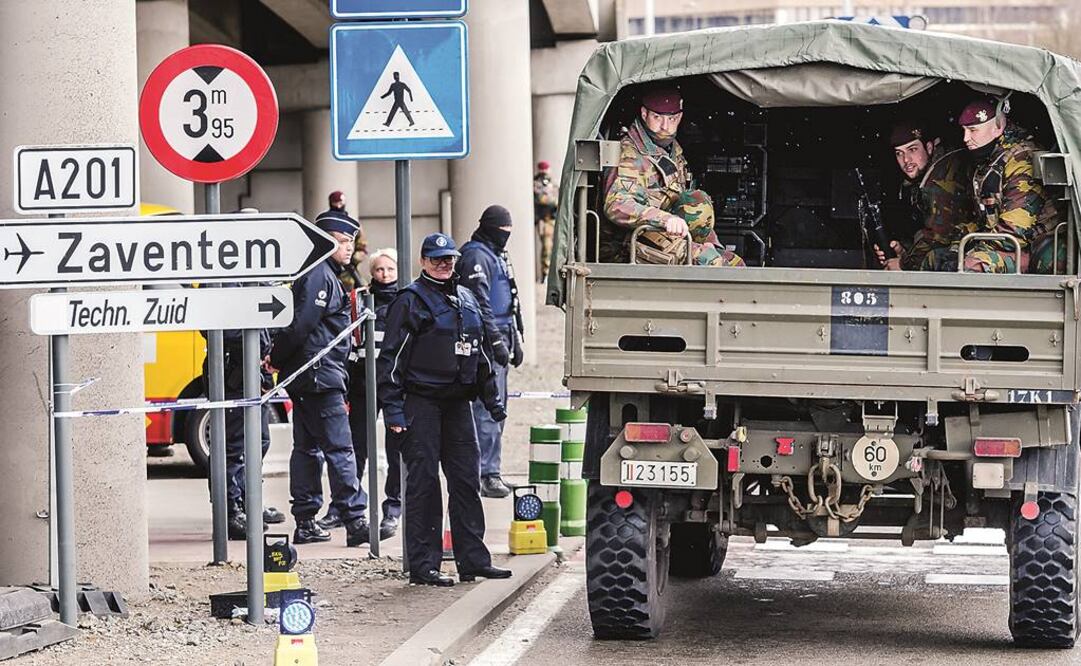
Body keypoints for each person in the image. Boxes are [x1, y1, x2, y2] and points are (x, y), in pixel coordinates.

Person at [377, 233, 511, 587]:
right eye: (436, 259)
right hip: (420, 401)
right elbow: (390, 359)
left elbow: (478, 353)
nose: (444, 264)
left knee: (467, 480)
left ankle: (473, 561)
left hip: (457, 402)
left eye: (449, 259)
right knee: (423, 484)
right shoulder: (410, 301)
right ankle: (424, 566)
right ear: (423, 262)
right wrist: (392, 410)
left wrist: (492, 400)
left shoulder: (465, 297)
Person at [269, 208, 369, 546]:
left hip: (309, 376)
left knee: (307, 450)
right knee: (339, 449)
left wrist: (278, 360)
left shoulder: (319, 273)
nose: (348, 248)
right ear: (325, 242)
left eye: (350, 242)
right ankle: (354, 520)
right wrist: (275, 358)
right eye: (341, 241)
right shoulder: (320, 276)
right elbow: (301, 325)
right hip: (319, 376)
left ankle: (307, 520)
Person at [600, 85, 744, 267]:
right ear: (644, 114)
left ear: (680, 117)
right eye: (657, 117)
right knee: (711, 262)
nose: (665, 126)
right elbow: (617, 205)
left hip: (663, 232)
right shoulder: (629, 153)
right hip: (628, 241)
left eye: (672, 118)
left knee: (734, 263)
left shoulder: (672, 149)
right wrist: (664, 219)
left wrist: (710, 242)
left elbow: (684, 198)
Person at [318, 249, 403, 540]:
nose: (385, 275)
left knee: (397, 449)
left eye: (390, 269)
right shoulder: (358, 298)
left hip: (395, 384)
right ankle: (344, 507)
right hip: (362, 382)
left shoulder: (408, 299)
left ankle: (393, 508)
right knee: (355, 448)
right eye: (379, 269)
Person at [933, 98, 1057, 273]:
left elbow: (1015, 233)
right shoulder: (990, 159)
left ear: (998, 128)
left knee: (970, 265)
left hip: (1033, 251)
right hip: (1006, 244)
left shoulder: (1021, 159)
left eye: (973, 130)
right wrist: (958, 242)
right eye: (964, 131)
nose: (966, 138)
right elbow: (986, 221)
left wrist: (972, 248)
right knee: (936, 258)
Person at [201, 293, 284, 541]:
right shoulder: (218, 280)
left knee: (258, 441)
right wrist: (254, 330)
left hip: (253, 373)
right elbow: (214, 328)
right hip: (232, 374)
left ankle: (250, 502)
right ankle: (230, 511)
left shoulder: (250, 277)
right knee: (232, 447)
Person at [458, 205, 525, 499]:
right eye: (503, 231)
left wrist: (516, 336)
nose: (506, 236)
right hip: (486, 339)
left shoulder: (495, 253)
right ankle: (485, 472)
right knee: (487, 409)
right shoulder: (475, 255)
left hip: (503, 333)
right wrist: (495, 340)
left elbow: (509, 296)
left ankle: (490, 469)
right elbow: (480, 302)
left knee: (498, 410)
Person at [875, 120, 973, 271]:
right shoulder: (925, 174)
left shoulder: (941, 179)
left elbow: (937, 237)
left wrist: (903, 264)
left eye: (912, 150)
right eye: (899, 154)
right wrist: (903, 251)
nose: (906, 160)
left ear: (929, 147)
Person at [533, 161, 559, 282]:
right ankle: (545, 272)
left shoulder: (551, 184)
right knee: (547, 246)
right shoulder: (536, 184)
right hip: (544, 219)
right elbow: (543, 200)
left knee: (554, 246)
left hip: (552, 218)